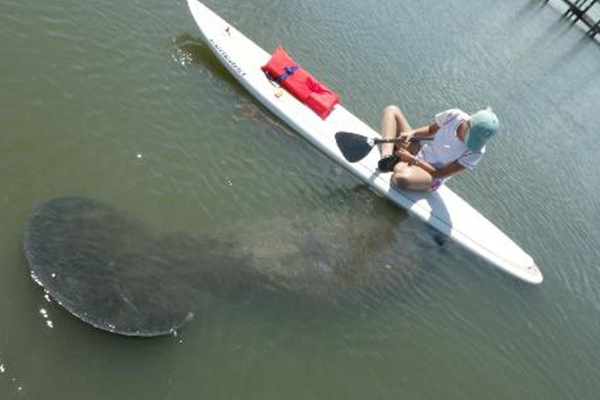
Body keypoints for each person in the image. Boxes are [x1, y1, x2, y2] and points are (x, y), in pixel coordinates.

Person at [377, 105, 499, 191]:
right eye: (470, 137)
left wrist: (412, 160)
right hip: (420, 153)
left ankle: (400, 161)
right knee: (391, 110)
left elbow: (441, 173)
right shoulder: (454, 115)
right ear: (468, 122)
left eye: (475, 141)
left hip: (431, 174)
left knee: (401, 179)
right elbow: (430, 130)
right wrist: (412, 133)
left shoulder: (477, 151)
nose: (469, 143)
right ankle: (387, 157)